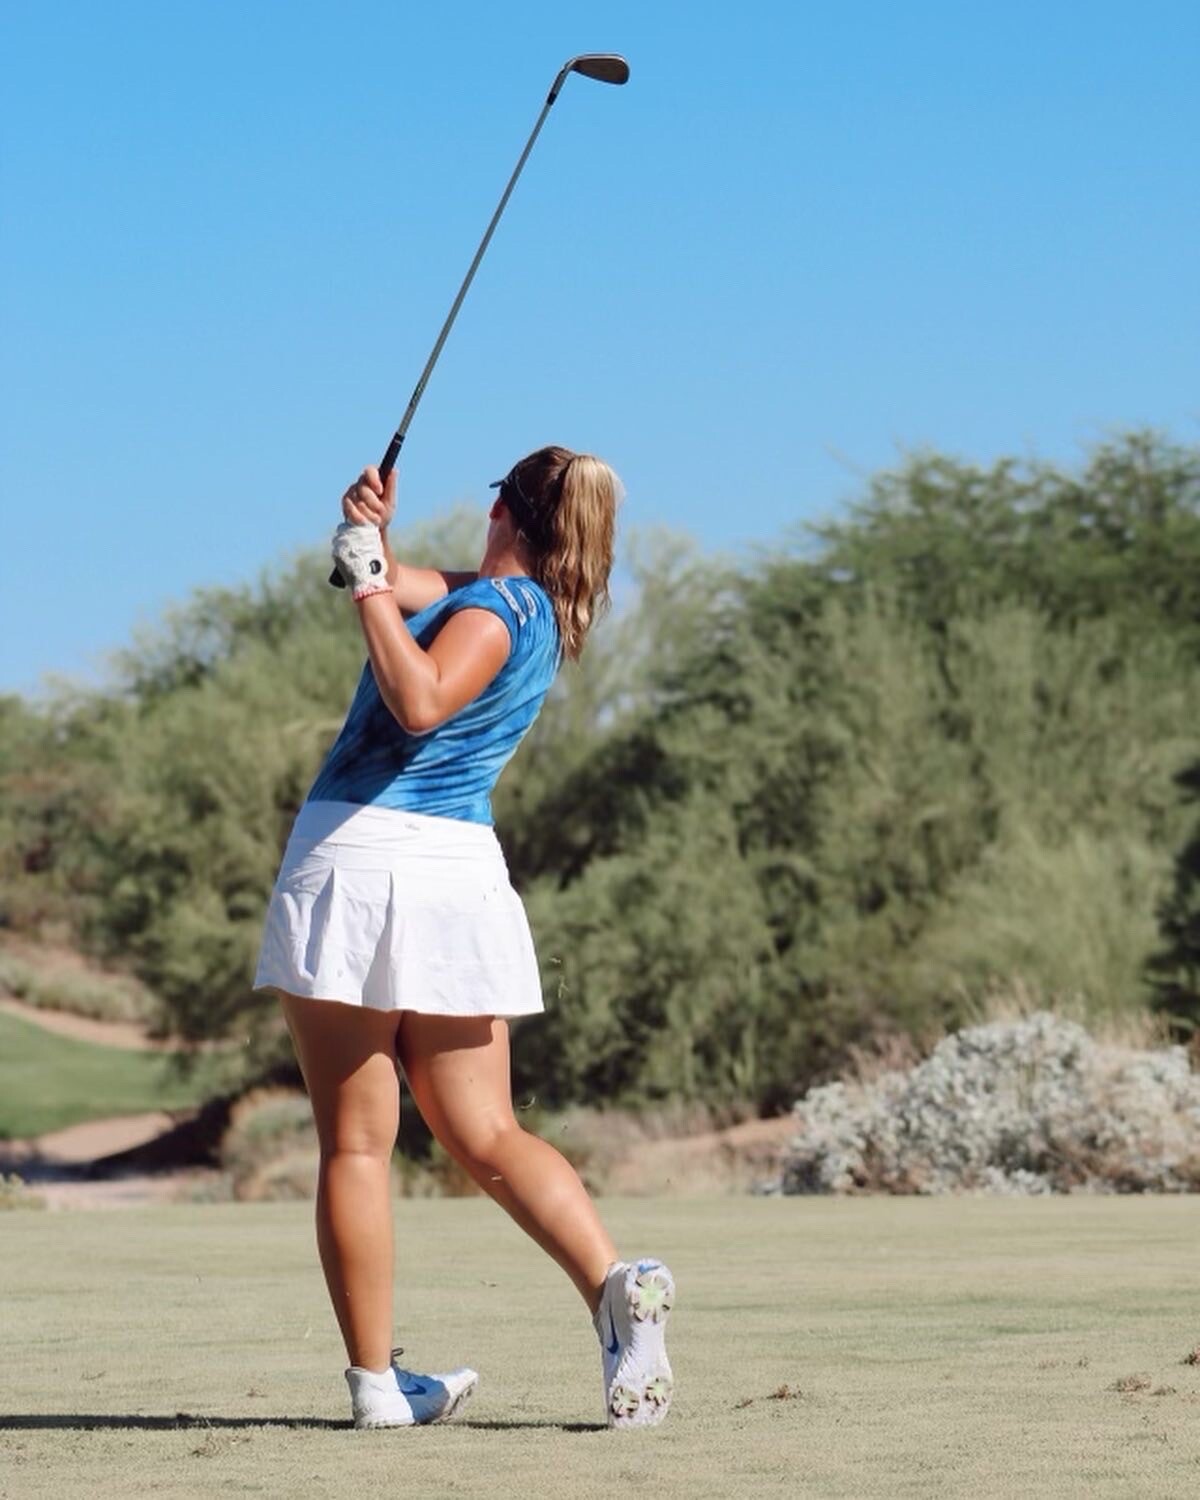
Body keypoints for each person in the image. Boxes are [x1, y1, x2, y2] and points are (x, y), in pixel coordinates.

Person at [253, 446, 675, 1432]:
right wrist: (369, 539)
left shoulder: (491, 613)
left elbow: (419, 699)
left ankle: (375, 1386)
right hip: (451, 876)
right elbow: (403, 581)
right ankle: (612, 1288)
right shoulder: (525, 607)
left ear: (502, 511)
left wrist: (366, 579)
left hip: (360, 857)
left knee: (357, 1145)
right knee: (485, 1132)